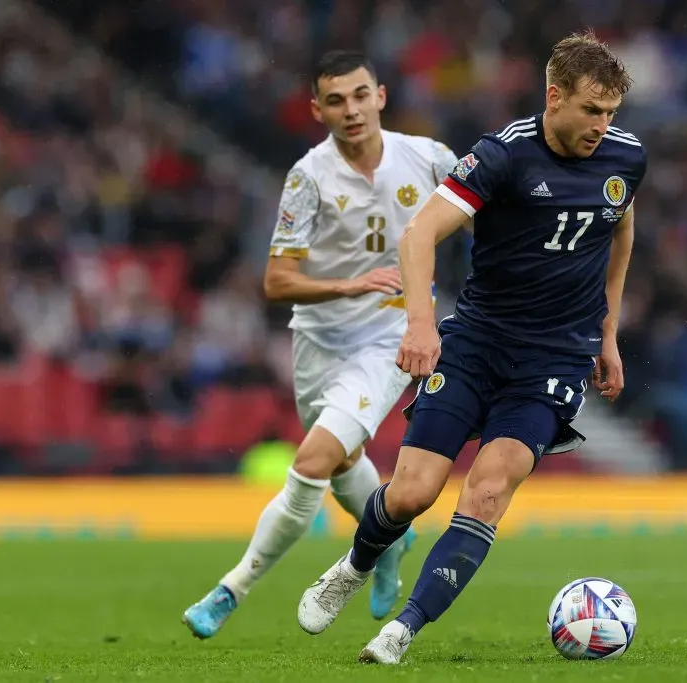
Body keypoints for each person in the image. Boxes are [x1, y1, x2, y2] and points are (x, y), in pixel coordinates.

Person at [295, 30, 647, 664]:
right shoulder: (503, 155)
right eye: (592, 110)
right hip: (477, 342)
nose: (603, 125)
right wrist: (421, 324)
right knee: (411, 493)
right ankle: (355, 564)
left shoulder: (626, 158)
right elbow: (418, 234)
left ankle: (400, 631)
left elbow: (618, 236)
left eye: (611, 113)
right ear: (554, 96)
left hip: (553, 359)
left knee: (486, 491)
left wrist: (608, 334)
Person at [182, 50, 458, 638]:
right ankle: (391, 545)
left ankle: (232, 589)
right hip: (317, 341)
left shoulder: (430, 159)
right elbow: (276, 280)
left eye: (360, 95)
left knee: (311, 461)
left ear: (380, 96)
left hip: (389, 336)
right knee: (343, 465)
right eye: (336, 100)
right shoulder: (309, 177)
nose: (351, 109)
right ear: (317, 109)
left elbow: (485, 217)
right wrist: (347, 283)